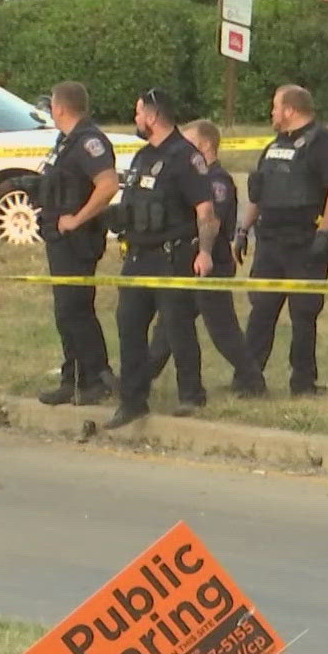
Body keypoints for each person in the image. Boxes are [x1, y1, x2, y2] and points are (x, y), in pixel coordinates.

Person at [103, 89, 219, 430]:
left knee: (177, 326)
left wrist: (205, 252)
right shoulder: (141, 157)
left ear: (152, 116)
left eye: (138, 114)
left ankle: (191, 394)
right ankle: (133, 400)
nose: (136, 119)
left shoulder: (186, 157)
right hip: (138, 256)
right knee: (129, 325)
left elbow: (206, 211)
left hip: (172, 255)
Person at [239, 85, 328, 396]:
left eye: (275, 107)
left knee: (303, 313)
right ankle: (248, 378)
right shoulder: (273, 146)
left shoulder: (322, 142)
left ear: (289, 110)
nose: (272, 113)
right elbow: (258, 193)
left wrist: (324, 232)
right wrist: (242, 230)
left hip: (305, 240)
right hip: (270, 241)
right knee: (261, 309)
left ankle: (302, 381)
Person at [147, 119, 268, 407]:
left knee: (222, 329)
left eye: (189, 144)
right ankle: (142, 375)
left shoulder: (217, 181)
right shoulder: (198, 179)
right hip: (188, 261)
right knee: (167, 325)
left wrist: (205, 253)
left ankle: (252, 379)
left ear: (205, 145)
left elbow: (211, 219)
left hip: (211, 260)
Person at [31, 81, 120, 406]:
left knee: (75, 309)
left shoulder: (89, 141)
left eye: (51, 105)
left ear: (60, 107)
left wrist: (78, 219)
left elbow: (108, 185)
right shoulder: (66, 141)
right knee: (65, 311)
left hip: (77, 239)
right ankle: (74, 379)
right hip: (59, 237)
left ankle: (98, 376)